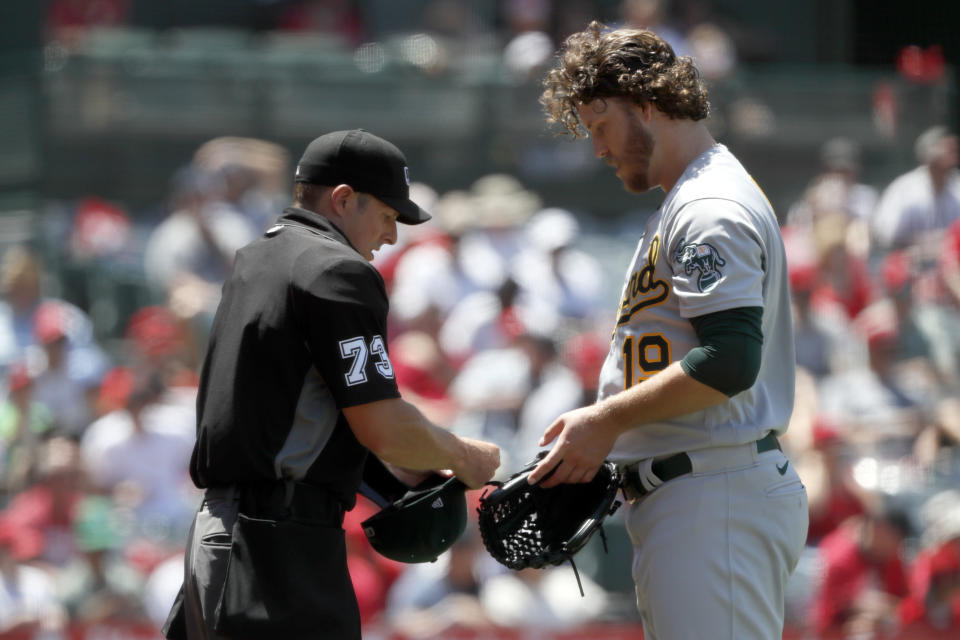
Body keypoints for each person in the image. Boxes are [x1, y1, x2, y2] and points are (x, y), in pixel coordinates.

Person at [162, 129, 500, 640]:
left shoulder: (257, 258)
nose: (390, 235)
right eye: (387, 215)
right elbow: (382, 425)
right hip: (275, 547)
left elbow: (311, 412)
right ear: (343, 199)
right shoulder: (336, 269)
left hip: (230, 533)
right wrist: (462, 455)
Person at [530, 23, 808, 639]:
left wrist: (603, 422)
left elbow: (731, 360)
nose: (597, 148)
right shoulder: (688, 198)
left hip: (714, 491)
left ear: (648, 104)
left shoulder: (709, 206)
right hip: (697, 491)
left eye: (601, 125)